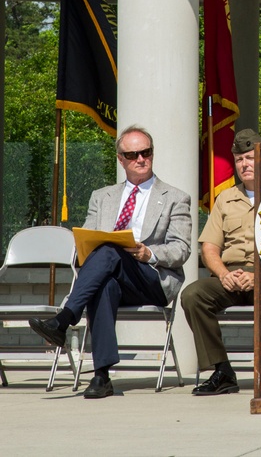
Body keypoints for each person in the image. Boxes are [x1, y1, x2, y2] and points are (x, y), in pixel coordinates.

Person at [29, 125, 192, 399]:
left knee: (108, 251)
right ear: (120, 159)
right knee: (103, 279)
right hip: (112, 274)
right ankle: (102, 376)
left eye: (146, 152)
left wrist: (148, 254)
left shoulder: (175, 197)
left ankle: (65, 317)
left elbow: (182, 249)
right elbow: (87, 240)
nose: (140, 159)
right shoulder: (101, 197)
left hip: (152, 278)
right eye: (132, 155)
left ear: (152, 154)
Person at [181, 129, 261, 396]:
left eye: (250, 157)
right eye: (239, 159)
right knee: (193, 295)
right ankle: (222, 371)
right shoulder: (226, 198)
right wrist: (224, 274)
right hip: (231, 276)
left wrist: (260, 276)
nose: (245, 164)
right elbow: (209, 248)